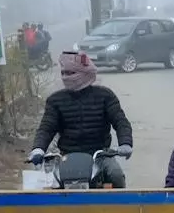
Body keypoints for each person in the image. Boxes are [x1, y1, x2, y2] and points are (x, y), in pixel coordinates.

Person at [30, 51, 134, 187]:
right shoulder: (55, 100)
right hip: (66, 156)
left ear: (85, 73)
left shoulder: (105, 96)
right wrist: (38, 148)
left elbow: (120, 121)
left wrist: (125, 143)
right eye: (63, 73)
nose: (65, 77)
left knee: (116, 176)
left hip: (100, 155)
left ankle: (120, 208)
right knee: (46, 185)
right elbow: (46, 128)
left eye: (70, 73)